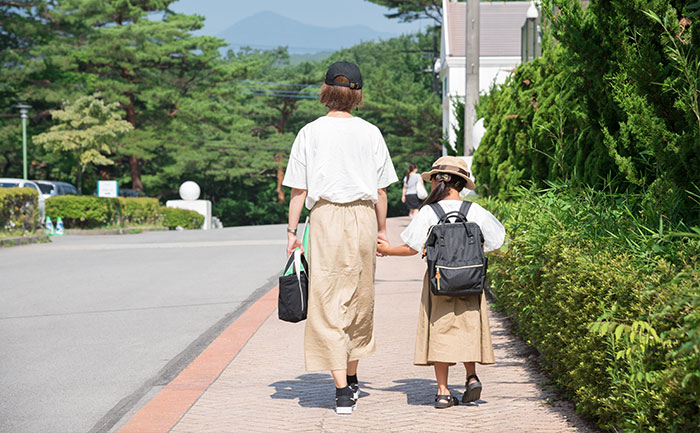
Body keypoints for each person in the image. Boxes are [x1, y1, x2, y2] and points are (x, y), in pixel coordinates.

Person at [283, 61, 398, 415]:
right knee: (360, 300)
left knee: (325, 299)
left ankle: (341, 390)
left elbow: (299, 191)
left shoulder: (309, 132)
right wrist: (381, 230)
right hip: (363, 217)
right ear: (357, 94)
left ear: (326, 91)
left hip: (324, 218)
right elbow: (381, 192)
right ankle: (351, 378)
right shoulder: (371, 132)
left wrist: (292, 234)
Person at [376, 156, 505, 409]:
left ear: (437, 182)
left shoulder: (429, 212)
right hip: (471, 280)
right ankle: (471, 376)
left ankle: (443, 392)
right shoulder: (474, 211)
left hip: (439, 281)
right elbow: (497, 241)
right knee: (469, 327)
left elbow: (412, 247)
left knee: (440, 331)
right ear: (462, 184)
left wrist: (387, 250)